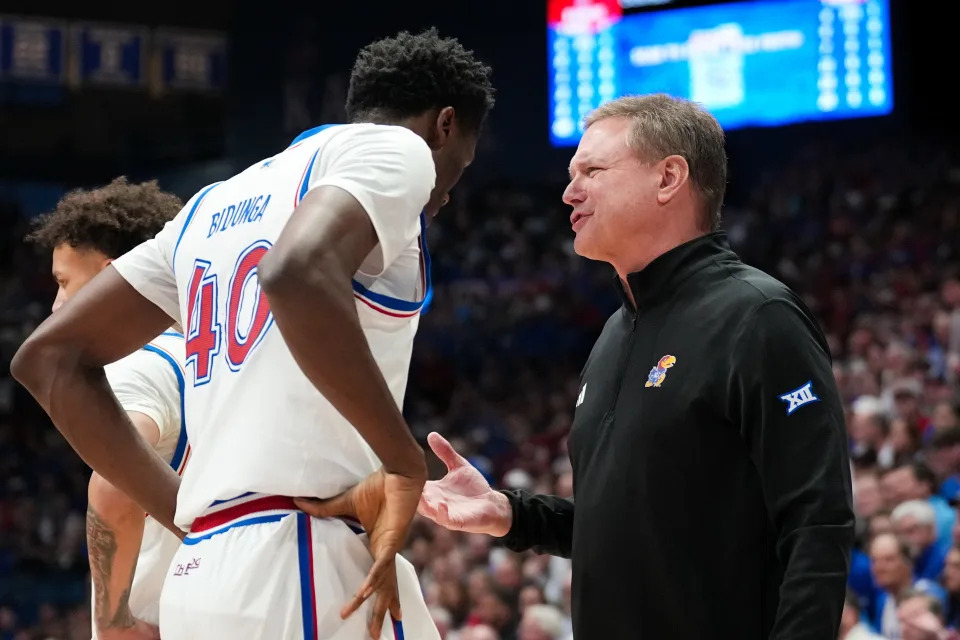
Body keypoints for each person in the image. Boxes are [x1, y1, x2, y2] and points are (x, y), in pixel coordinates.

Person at [12, 28, 494, 640]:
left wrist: (187, 518)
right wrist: (403, 462)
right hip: (301, 552)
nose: (447, 193)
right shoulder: (398, 149)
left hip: (202, 572)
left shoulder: (209, 205)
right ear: (444, 125)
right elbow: (293, 273)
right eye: (462, 164)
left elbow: (48, 359)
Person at [418, 94, 854, 638]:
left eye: (592, 172)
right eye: (571, 175)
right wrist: (509, 513)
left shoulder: (758, 316)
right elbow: (631, 532)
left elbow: (817, 524)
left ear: (668, 178)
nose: (569, 192)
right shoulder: (613, 333)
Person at [25, 177, 186, 640]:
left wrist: (114, 622)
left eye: (64, 282)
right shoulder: (208, 357)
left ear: (110, 277)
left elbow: (113, 487)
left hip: (158, 622)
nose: (56, 305)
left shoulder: (138, 365)